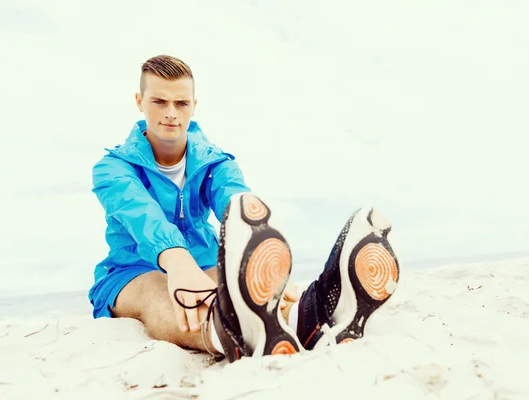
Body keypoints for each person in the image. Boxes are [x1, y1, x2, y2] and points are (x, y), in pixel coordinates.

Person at [89, 55, 400, 362]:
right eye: (159, 101)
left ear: (194, 106)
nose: (171, 113)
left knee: (234, 287)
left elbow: (236, 205)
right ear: (139, 101)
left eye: (181, 103)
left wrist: (272, 269)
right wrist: (178, 263)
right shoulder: (112, 168)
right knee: (158, 289)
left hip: (203, 261)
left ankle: (307, 318)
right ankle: (230, 335)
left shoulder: (216, 163)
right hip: (131, 271)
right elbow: (141, 215)